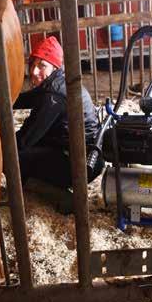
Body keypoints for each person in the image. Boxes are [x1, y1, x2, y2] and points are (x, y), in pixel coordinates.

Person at [14, 36, 103, 212]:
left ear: (55, 66)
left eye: (42, 66)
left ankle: (65, 197)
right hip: (82, 155)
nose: (33, 71)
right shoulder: (58, 81)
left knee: (10, 158)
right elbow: (27, 99)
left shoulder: (53, 96)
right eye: (32, 64)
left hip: (79, 165)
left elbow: (24, 140)